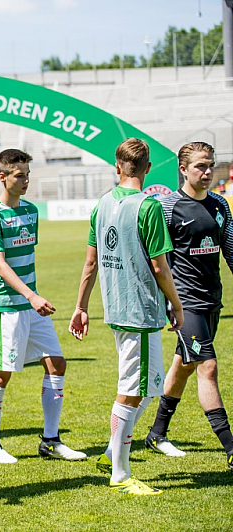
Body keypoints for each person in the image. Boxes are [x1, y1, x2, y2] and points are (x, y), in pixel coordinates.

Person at [70, 138, 183, 495]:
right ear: (148, 169)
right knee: (131, 391)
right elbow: (159, 266)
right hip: (140, 311)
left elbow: (90, 263)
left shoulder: (102, 203)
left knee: (149, 384)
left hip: (116, 308)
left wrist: (81, 306)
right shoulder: (148, 206)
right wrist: (177, 305)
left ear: (117, 166)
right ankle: (119, 474)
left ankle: (109, 453)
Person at [0, 149, 86, 465]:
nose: (25, 180)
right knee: (1, 374)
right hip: (6, 308)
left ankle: (50, 441)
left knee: (56, 363)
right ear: (3, 176)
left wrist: (33, 298)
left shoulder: (31, 211)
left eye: (27, 174)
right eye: (19, 175)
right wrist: (31, 296)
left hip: (31, 305)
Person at [143, 142, 233, 469]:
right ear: (183, 169)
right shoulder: (167, 209)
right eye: (200, 167)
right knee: (207, 367)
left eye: (210, 165)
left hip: (213, 302)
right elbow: (156, 261)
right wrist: (166, 304)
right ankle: (230, 447)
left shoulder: (220, 205)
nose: (207, 172)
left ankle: (156, 433)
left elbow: (231, 253)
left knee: (184, 366)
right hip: (185, 305)